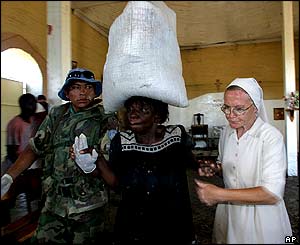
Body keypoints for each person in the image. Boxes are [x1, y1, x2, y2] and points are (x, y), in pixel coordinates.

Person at [1, 67, 113, 244]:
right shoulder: (57, 115)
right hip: (54, 204)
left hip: (89, 207)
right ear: (67, 93)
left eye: (88, 87)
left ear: (95, 91)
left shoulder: (105, 118)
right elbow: (34, 148)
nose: (83, 92)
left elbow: (111, 172)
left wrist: (92, 166)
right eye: (76, 87)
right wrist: (10, 175)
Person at [195, 78, 292, 244]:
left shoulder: (270, 138)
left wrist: (219, 194)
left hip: (262, 218)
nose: (230, 115)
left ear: (255, 108)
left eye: (239, 109)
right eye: (226, 107)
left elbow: (272, 194)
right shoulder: (227, 133)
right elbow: (232, 168)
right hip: (231, 214)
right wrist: (217, 168)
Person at [100, 96, 198, 244]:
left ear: (157, 116)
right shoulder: (121, 141)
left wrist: (204, 167)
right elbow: (116, 183)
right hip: (134, 224)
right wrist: (97, 161)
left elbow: (193, 164)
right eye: (131, 110)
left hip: (173, 221)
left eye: (143, 110)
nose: (133, 114)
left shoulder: (176, 136)